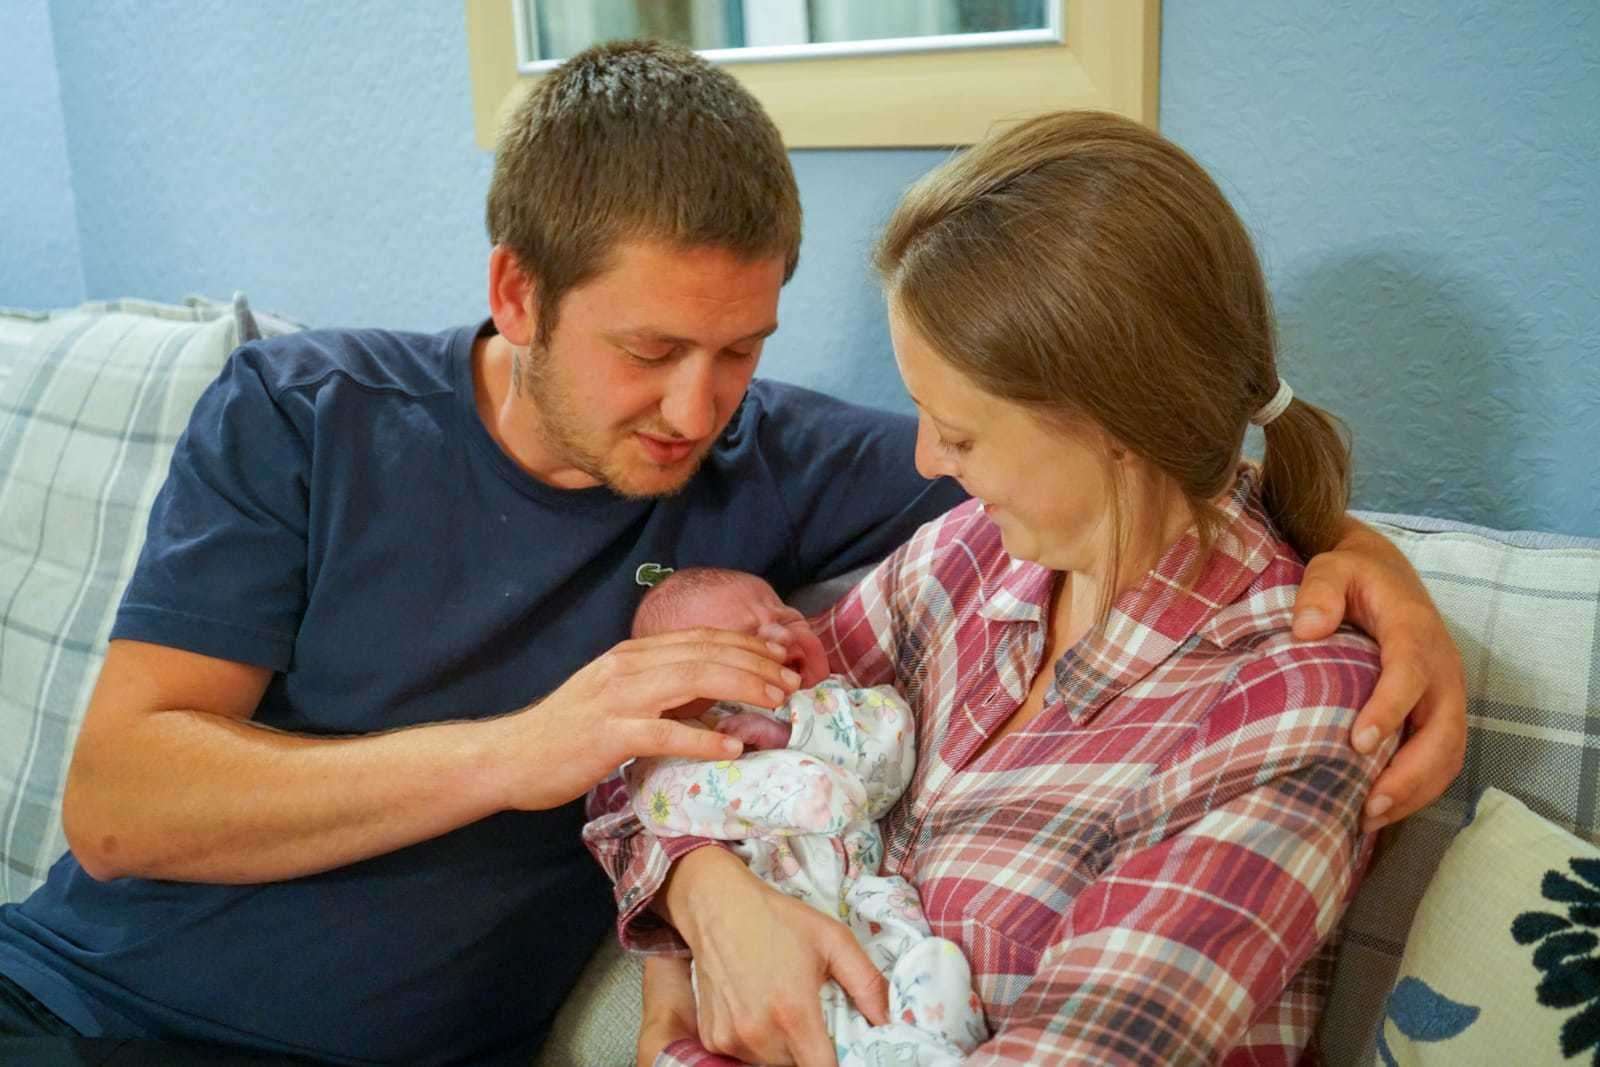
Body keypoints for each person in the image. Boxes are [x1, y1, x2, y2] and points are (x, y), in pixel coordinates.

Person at [0, 38, 1462, 1065]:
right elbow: (122, 804)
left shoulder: (821, 475)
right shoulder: (302, 415)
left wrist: (1363, 561)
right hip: (76, 1002)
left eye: (743, 351)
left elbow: (1131, 460)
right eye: (650, 350)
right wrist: (544, 760)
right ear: (517, 291)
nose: (698, 410)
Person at [594, 110, 1434, 1067]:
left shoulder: (1280, 708)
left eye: (958, 431)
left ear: (1114, 420)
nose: (923, 458)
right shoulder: (962, 564)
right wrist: (709, 894)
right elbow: (650, 740)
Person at [611, 567, 988, 1065]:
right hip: (762, 938)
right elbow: (659, 806)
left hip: (870, 910)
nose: (777, 632)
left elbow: (890, 758)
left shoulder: (843, 705)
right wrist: (770, 774)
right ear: (681, 684)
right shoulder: (677, 752)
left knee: (938, 964)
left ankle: (929, 1048)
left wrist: (795, 734)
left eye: (787, 616)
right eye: (743, 640)